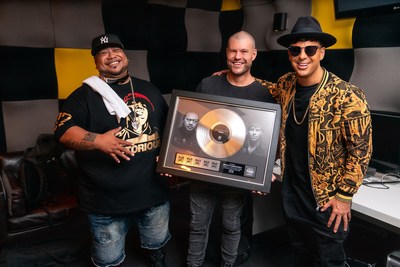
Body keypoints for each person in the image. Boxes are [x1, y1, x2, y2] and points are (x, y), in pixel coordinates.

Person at [262, 16, 373, 266]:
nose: (303, 56)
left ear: (321, 53)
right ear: (290, 54)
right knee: (302, 255)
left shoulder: (348, 96)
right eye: (296, 50)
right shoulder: (287, 84)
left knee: (328, 261)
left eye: (310, 49)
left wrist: (344, 196)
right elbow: (268, 88)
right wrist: (234, 73)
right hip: (293, 195)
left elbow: (361, 151)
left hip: (326, 202)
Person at [53, 34, 171, 267]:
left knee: (156, 242)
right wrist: (98, 141)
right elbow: (63, 131)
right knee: (109, 258)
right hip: (105, 200)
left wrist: (169, 158)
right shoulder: (83, 96)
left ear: (125, 57)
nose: (111, 56)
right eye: (103, 53)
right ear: (96, 62)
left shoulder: (150, 89)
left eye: (116, 50)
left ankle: (155, 255)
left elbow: (170, 128)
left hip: (152, 192)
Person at [186, 31, 275, 267]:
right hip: (203, 172)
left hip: (235, 174)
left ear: (253, 55)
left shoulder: (264, 94)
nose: (238, 56)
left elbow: (264, 140)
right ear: (226, 53)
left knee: (231, 226)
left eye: (244, 51)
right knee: (197, 225)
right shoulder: (208, 83)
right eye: (233, 50)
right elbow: (192, 125)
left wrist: (262, 175)